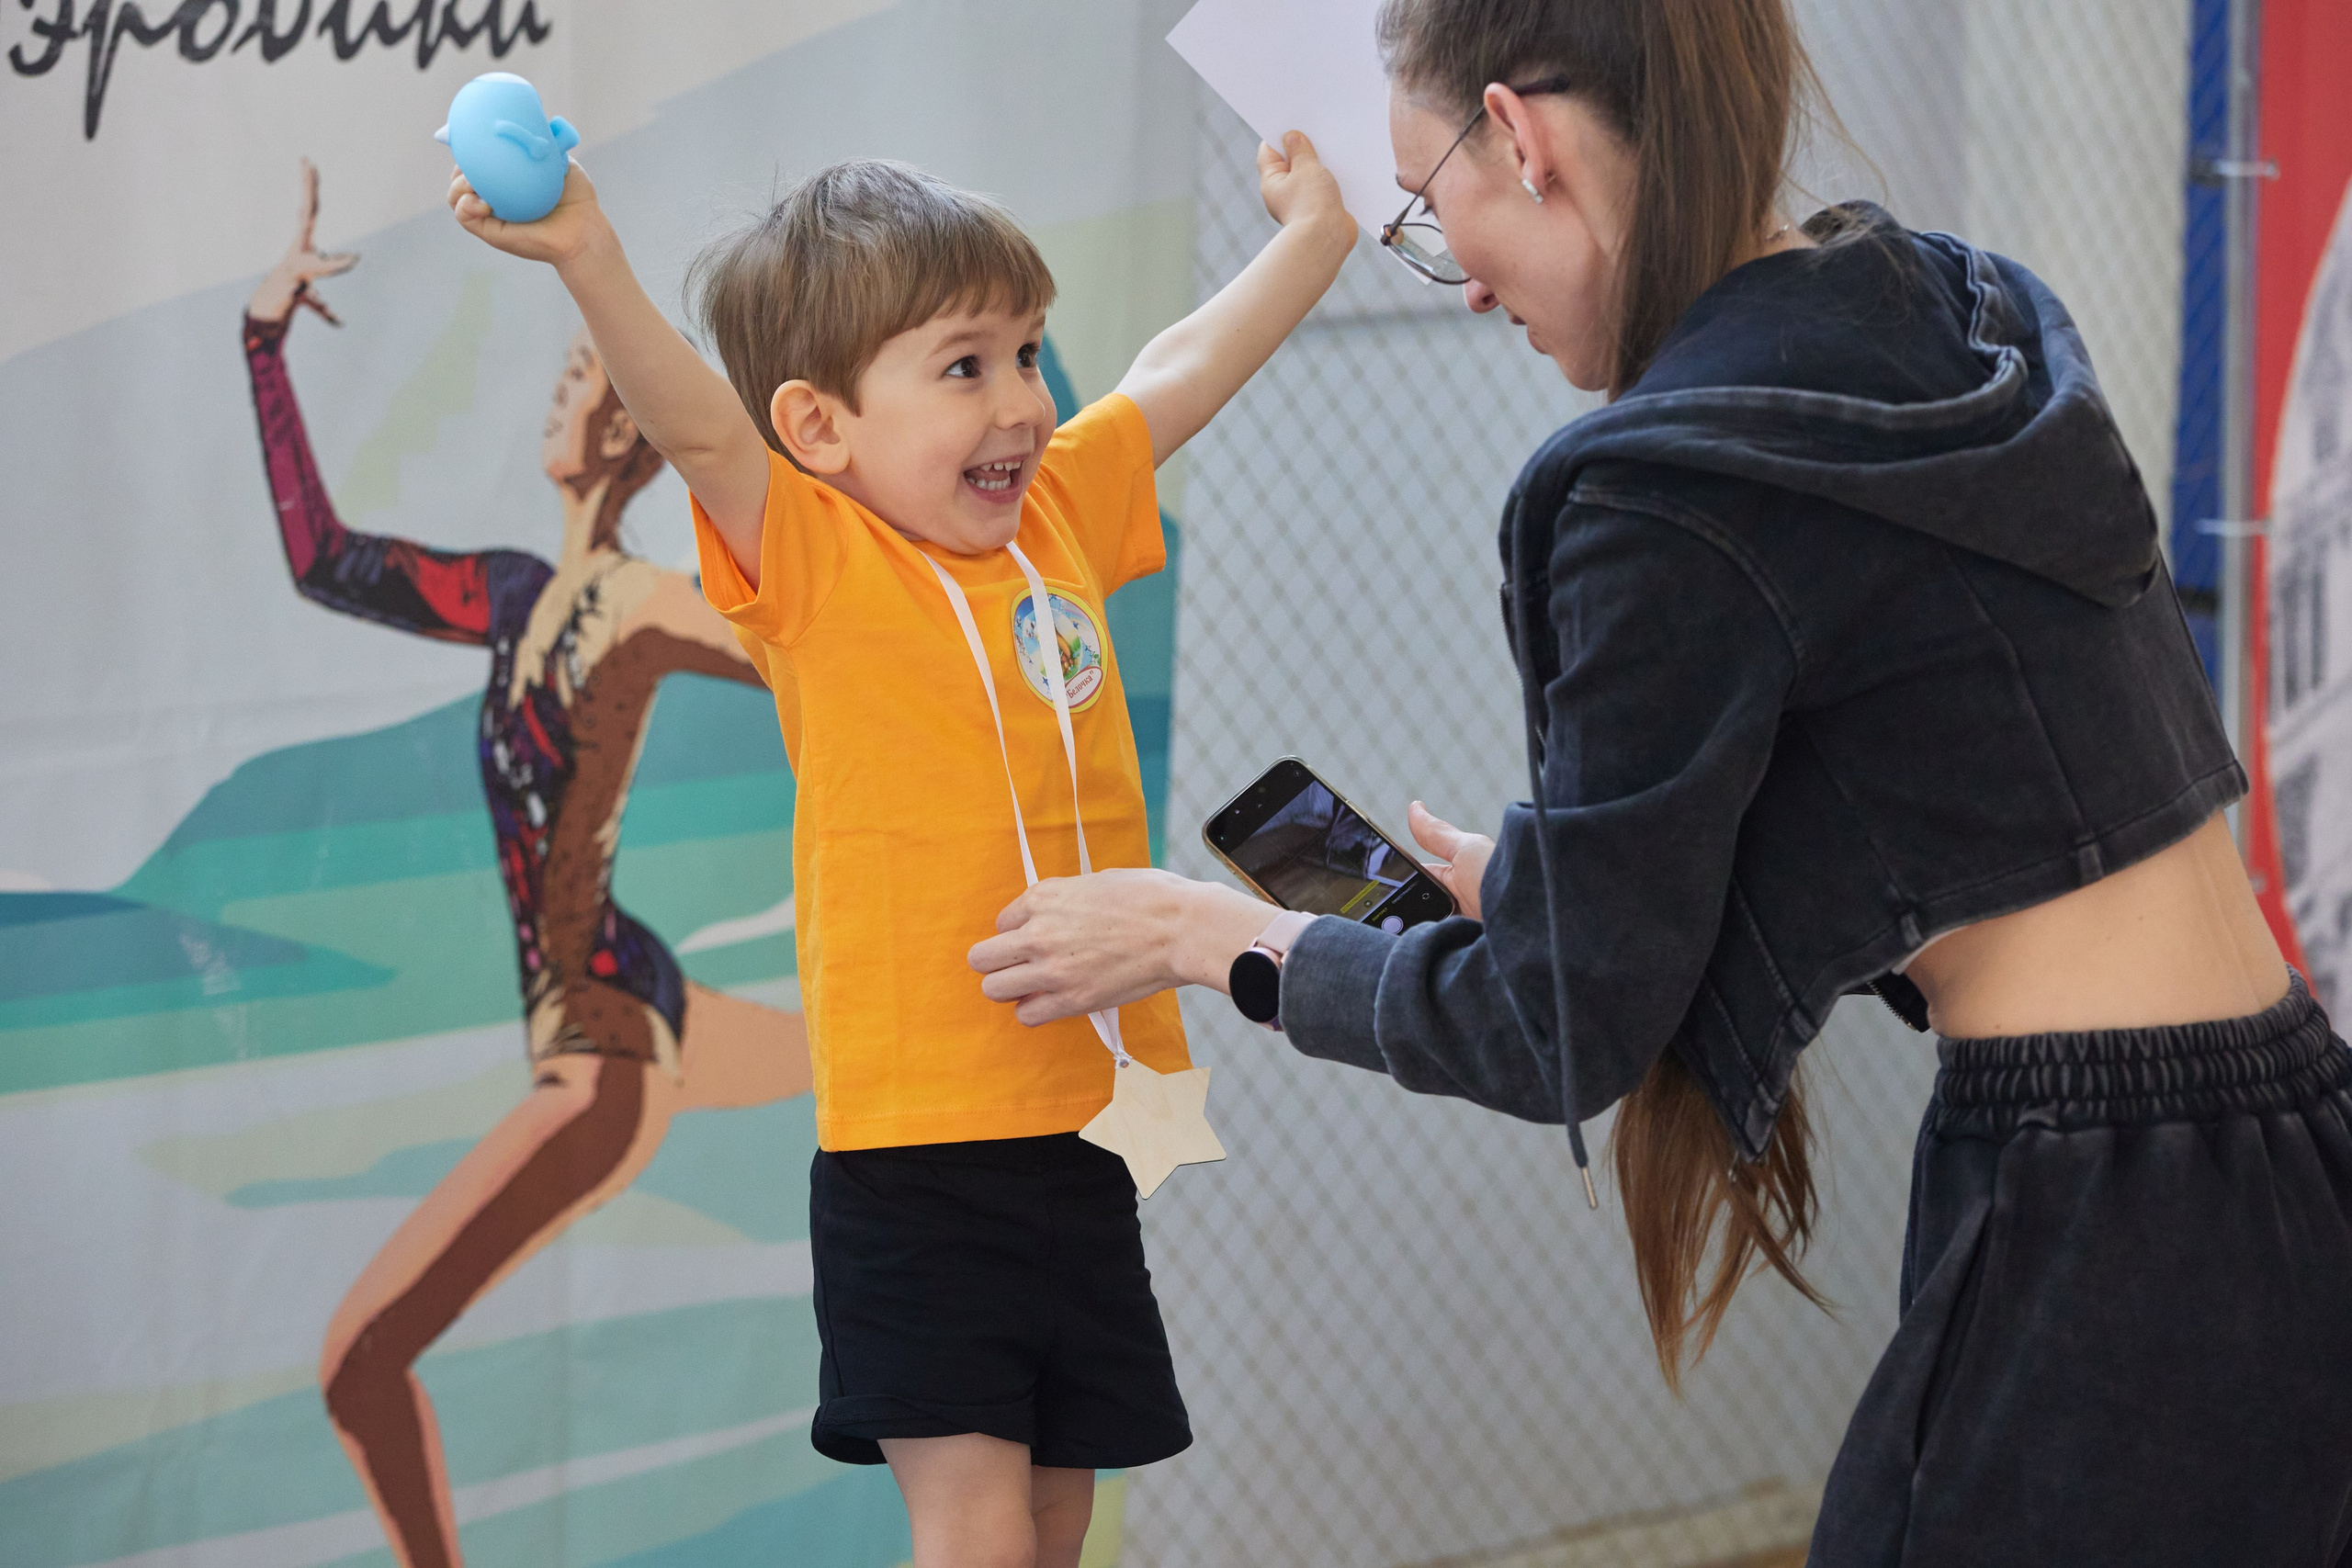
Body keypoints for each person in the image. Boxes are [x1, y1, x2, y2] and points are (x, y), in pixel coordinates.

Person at [966, 2, 2352, 1562]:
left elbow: (1551, 1031)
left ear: (1529, 136)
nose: (1464, 275)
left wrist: (1200, 938)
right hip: (2289, 1128)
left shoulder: (1654, 483)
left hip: (2094, 1221)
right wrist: (1575, 892)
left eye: (1430, 207)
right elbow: (1984, 783)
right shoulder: (1956, 307)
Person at [444, 133, 1351, 1565]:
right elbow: (695, 428)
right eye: (964, 365)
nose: (1022, 402)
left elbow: (1180, 367)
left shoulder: (1056, 510)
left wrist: (1314, 236)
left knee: (1058, 1520)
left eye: (1030, 352)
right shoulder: (810, 560)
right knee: (979, 1531)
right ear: (818, 427)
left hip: (1083, 1127)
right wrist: (589, 260)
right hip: (921, 1155)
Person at [243, 162, 814, 1568]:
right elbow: (323, 560)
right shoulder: (513, 598)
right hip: (635, 988)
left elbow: (816, 645)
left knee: (357, 1361)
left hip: (607, 1041)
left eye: (581, 380)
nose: (562, 397)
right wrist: (263, 343)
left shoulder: (638, 605)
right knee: (868, 1050)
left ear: (626, 424)